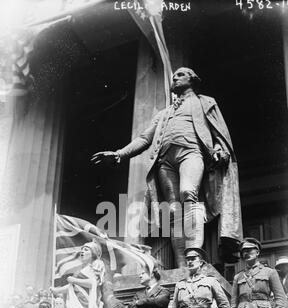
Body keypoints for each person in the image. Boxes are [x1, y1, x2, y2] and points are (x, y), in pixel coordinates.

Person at [91, 67, 242, 267]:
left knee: (188, 192)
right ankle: (183, 266)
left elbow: (219, 132)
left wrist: (219, 149)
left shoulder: (205, 102)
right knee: (173, 210)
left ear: (193, 80)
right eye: (173, 76)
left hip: (192, 152)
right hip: (164, 160)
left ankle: (194, 254)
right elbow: (145, 138)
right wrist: (119, 154)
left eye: (181, 75)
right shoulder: (165, 113)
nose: (175, 78)